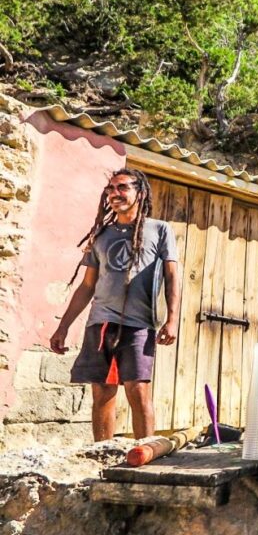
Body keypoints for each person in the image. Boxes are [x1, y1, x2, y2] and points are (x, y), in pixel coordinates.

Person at [49, 168, 180, 441]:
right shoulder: (102, 235)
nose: (114, 194)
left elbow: (171, 276)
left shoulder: (159, 230)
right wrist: (63, 327)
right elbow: (87, 286)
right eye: (110, 189)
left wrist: (172, 319)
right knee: (102, 393)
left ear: (139, 193)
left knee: (138, 390)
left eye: (122, 188)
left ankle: (146, 455)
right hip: (101, 322)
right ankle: (103, 455)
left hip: (140, 323)